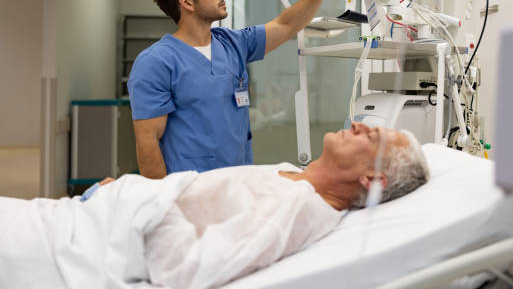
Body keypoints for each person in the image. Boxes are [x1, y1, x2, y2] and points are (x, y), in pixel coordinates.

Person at [0, 124, 429, 289]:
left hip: (67, 253)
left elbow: (186, 270)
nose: (358, 124)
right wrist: (125, 193)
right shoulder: (288, 175)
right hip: (76, 220)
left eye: (370, 137)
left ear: (372, 180)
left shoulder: (297, 209)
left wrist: (143, 199)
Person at [128, 0, 344, 179]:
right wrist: (162, 202)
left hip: (239, 182)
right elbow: (148, 141)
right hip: (190, 188)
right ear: (187, 2)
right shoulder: (156, 62)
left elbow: (287, 24)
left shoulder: (233, 43)